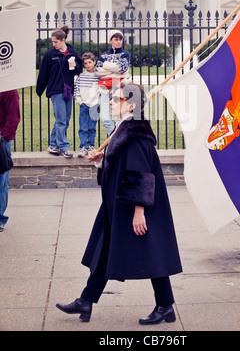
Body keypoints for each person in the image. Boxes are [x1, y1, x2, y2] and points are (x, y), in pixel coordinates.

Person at [56, 82, 182, 325]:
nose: (111, 102)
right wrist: (103, 159)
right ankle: (86, 300)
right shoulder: (122, 129)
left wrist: (139, 212)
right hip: (118, 203)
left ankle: (165, 305)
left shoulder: (135, 135)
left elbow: (140, 174)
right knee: (106, 249)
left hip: (132, 205)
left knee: (151, 251)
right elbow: (122, 164)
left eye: (116, 99)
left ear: (131, 105)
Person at [36, 25, 82, 158]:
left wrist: (75, 66)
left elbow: (79, 71)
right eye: (53, 42)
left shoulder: (72, 53)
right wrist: (40, 89)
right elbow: (43, 73)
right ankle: (64, 147)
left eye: (56, 41)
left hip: (68, 89)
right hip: (56, 90)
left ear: (63, 40)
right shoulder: (50, 54)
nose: (53, 44)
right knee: (61, 119)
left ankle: (53, 145)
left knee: (65, 119)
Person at [95, 30, 130, 136]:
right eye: (116, 40)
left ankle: (115, 140)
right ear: (111, 41)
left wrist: (106, 66)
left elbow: (122, 69)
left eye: (120, 40)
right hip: (105, 89)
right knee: (105, 118)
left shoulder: (125, 54)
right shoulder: (104, 55)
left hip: (118, 88)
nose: (118, 42)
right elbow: (98, 71)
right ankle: (113, 137)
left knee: (117, 118)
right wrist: (115, 71)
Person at [0, 90, 20, 232]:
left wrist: (5, 137)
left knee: (1, 181)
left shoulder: (9, 90)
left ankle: (0, 218)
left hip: (1, 140)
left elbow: (13, 117)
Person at [74, 52, 99, 158]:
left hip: (94, 104)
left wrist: (98, 101)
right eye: (86, 63)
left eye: (90, 62)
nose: (88, 65)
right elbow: (76, 89)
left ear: (94, 62)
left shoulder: (98, 76)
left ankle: (91, 146)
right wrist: (79, 100)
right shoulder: (81, 76)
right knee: (83, 126)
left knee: (92, 126)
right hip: (83, 104)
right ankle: (83, 146)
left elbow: (102, 89)